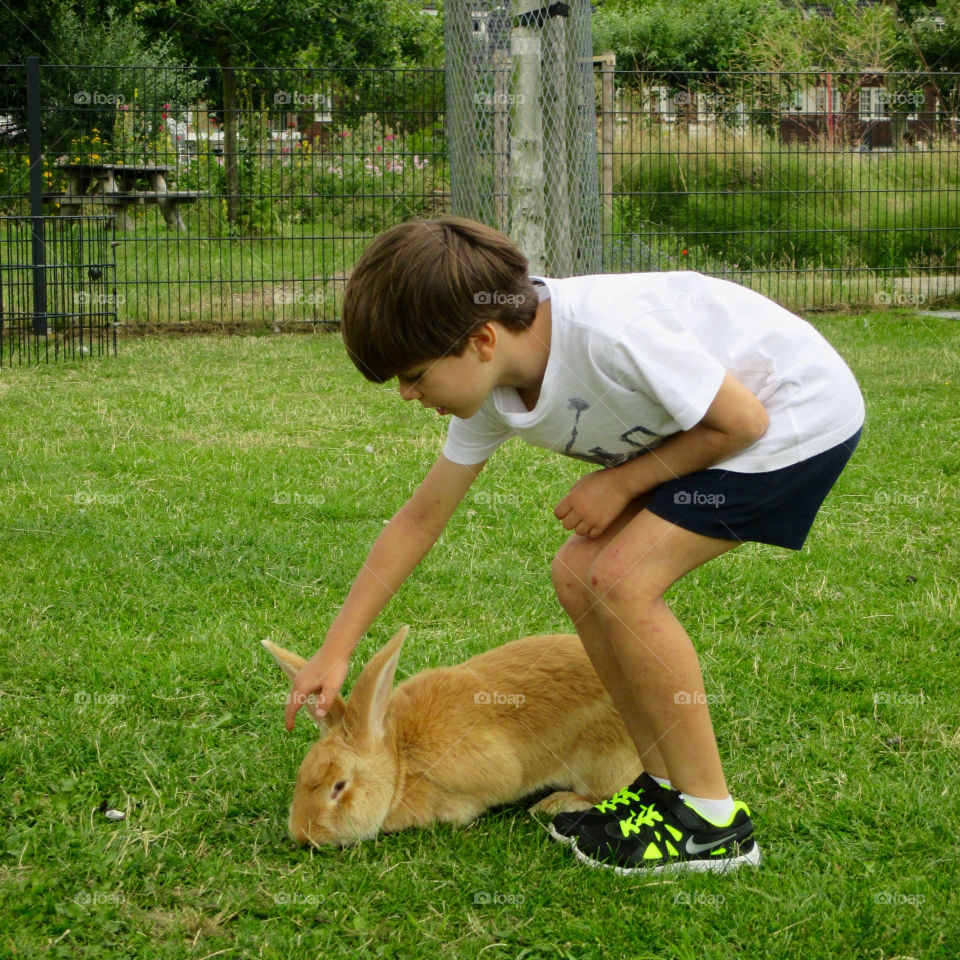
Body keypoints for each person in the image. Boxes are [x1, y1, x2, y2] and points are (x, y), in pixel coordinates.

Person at [283, 216, 864, 876]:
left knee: (621, 579)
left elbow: (743, 421)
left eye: (414, 376)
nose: (409, 396)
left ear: (480, 339)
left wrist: (622, 483)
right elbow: (419, 520)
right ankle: (662, 787)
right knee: (576, 571)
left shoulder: (606, 334)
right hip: (720, 431)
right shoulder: (494, 386)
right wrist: (335, 651)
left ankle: (713, 820)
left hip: (795, 417)